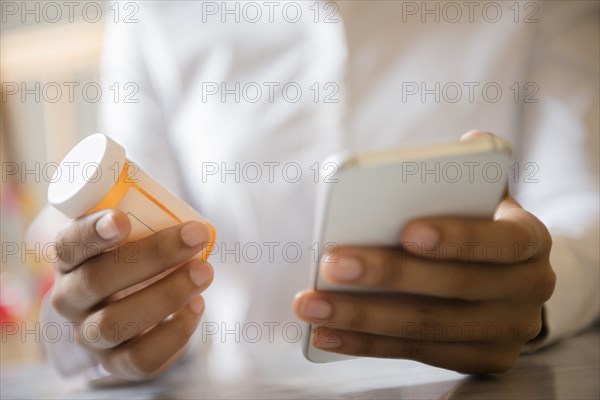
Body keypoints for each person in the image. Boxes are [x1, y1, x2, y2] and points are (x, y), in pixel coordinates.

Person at [34, 0, 598, 384]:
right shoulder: (153, 14)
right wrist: (93, 329)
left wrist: (540, 292)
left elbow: (582, 202)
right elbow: (118, 236)